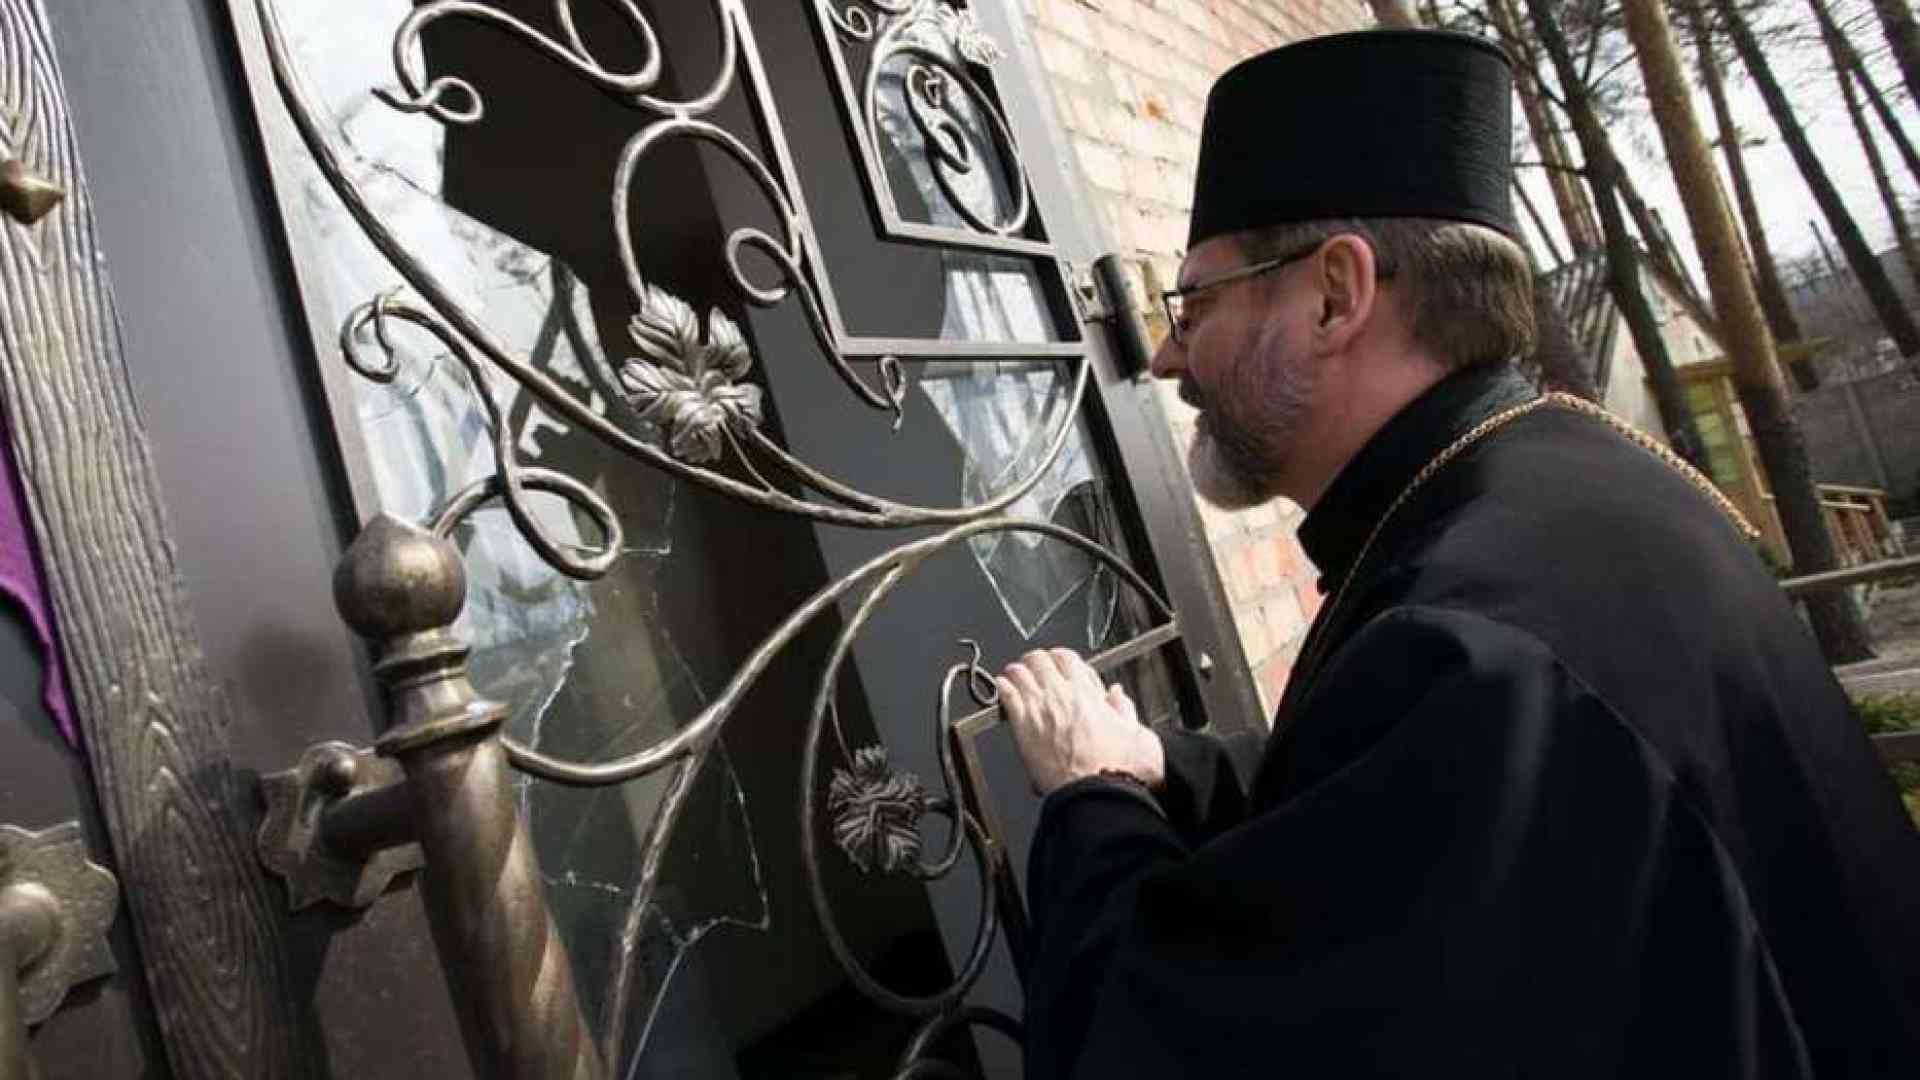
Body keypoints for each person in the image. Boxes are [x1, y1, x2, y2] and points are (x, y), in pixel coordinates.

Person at [995, 29, 1920, 1078]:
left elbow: (1185, 1043)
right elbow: (1392, 808)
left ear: (1334, 296)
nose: (1165, 356)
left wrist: (1091, 798)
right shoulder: (1565, 486)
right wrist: (1170, 770)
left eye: (1193, 302)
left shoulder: (1472, 635)